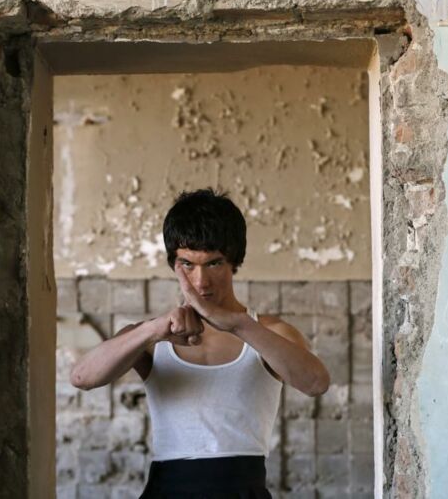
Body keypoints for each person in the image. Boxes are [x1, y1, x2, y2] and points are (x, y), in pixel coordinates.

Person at [70, 188, 331, 498]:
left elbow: (316, 383)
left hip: (241, 489)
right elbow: (81, 377)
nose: (200, 282)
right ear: (173, 264)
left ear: (234, 261)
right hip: (167, 489)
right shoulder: (153, 338)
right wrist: (153, 330)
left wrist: (238, 324)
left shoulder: (267, 331)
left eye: (213, 264)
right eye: (188, 265)